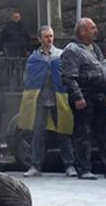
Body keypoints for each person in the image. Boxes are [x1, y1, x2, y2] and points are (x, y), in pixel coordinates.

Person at [61, 18, 106, 180]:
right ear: (82, 31)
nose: (96, 30)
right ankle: (84, 168)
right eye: (92, 28)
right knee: (83, 134)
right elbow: (69, 77)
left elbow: (102, 71)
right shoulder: (72, 50)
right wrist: (77, 97)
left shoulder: (95, 48)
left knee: (104, 134)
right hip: (84, 96)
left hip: (98, 96)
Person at [19, 26, 76, 178]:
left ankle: (69, 165)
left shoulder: (61, 55)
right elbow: (27, 78)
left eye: (51, 36)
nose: (49, 39)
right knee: (38, 134)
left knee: (64, 132)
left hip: (59, 99)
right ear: (39, 39)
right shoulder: (34, 58)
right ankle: (36, 166)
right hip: (40, 101)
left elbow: (68, 75)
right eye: (46, 36)